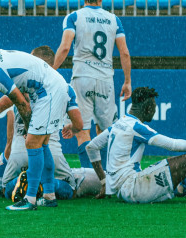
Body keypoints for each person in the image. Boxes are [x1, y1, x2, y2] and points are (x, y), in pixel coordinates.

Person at [0, 49, 82, 211]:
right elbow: (3, 106)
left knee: (32, 144)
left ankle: (30, 199)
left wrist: (30, 129)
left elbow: (22, 103)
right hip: (53, 87)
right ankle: (49, 196)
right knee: (42, 145)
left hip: (47, 91)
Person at [53, 0, 132, 169]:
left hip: (82, 77)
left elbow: (65, 47)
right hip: (105, 79)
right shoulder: (114, 19)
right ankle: (105, 175)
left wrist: (51, 70)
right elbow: (124, 52)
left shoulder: (74, 17)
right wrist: (127, 81)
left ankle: (89, 175)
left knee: (82, 129)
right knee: (105, 132)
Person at [0, 110, 102, 202]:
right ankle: (39, 183)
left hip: (28, 171)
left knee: (13, 188)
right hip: (45, 162)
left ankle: (33, 183)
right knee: (71, 190)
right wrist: (11, 115)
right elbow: (9, 146)